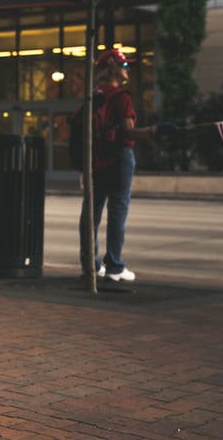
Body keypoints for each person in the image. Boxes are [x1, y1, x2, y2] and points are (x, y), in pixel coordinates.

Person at [78, 48, 172, 283]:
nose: (127, 69)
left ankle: (91, 264)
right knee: (118, 211)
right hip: (119, 158)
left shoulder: (93, 96)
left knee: (91, 213)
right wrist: (156, 130)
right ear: (112, 68)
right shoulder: (120, 97)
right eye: (124, 66)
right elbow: (129, 132)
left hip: (96, 158)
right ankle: (115, 266)